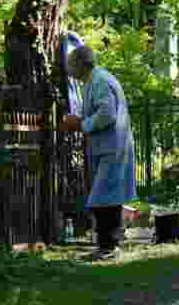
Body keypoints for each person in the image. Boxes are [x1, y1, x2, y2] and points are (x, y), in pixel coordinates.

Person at [60, 45, 136, 260]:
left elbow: (107, 113)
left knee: (102, 198)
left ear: (79, 64)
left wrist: (81, 124)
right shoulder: (93, 80)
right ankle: (107, 246)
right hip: (108, 146)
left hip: (112, 147)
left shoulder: (100, 81)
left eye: (69, 64)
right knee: (107, 197)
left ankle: (108, 247)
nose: (67, 68)